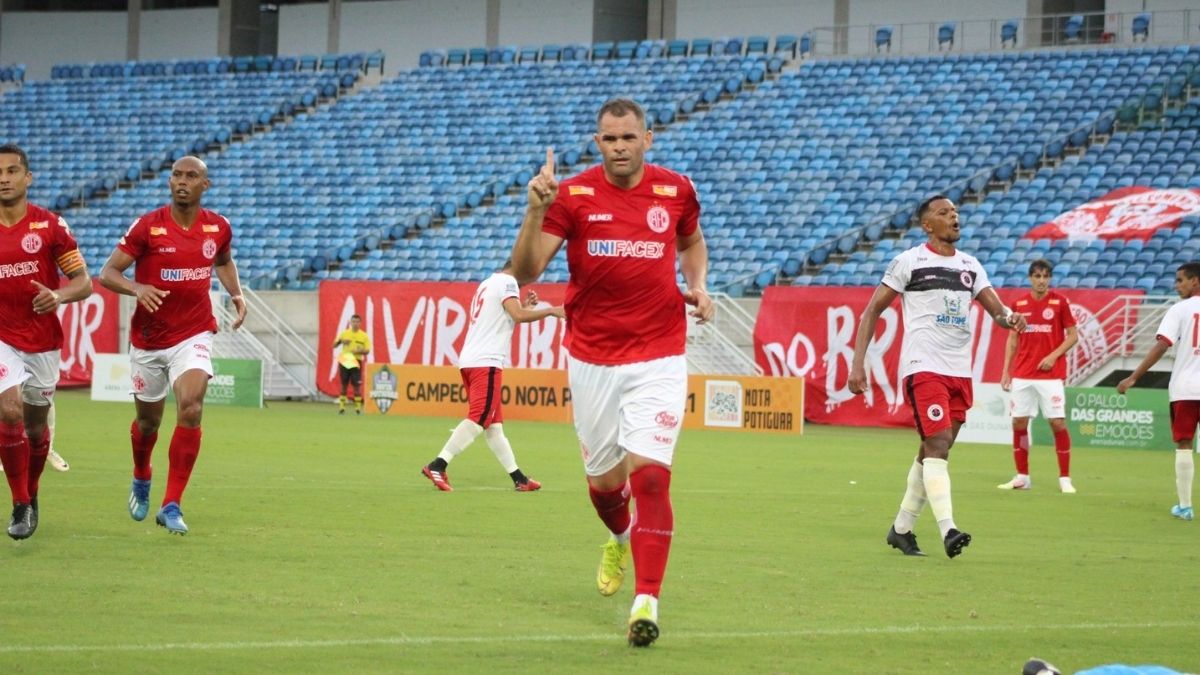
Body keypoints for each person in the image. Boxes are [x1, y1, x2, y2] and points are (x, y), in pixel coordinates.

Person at [510, 98, 713, 647]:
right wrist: (534, 210)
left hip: (660, 353)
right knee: (605, 486)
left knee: (650, 476)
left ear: (649, 139)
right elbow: (526, 270)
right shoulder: (572, 196)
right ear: (597, 143)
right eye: (609, 139)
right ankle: (619, 538)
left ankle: (646, 599)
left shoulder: (677, 190)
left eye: (629, 137)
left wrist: (697, 284)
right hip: (592, 357)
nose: (619, 147)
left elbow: (691, 242)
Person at [848, 194, 1026, 559]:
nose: (954, 217)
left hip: (960, 372)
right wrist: (857, 363)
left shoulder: (970, 266)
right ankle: (949, 530)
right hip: (923, 366)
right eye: (944, 213)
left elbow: (996, 310)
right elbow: (871, 312)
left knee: (931, 451)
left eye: (956, 212)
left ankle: (901, 529)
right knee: (939, 444)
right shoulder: (909, 261)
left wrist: (1011, 318)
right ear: (927, 225)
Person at [99, 155, 246, 536]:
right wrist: (137, 287)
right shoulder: (149, 227)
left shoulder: (218, 227)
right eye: (177, 175)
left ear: (205, 185)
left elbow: (224, 262)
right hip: (149, 340)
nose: (182, 181)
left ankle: (172, 503)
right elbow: (108, 272)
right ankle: (141, 473)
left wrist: (237, 294)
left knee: (192, 407)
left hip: (193, 333)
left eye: (191, 176)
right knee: (148, 423)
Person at [0, 143, 93, 540]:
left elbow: (84, 284)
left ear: (28, 178)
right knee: (9, 409)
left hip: (41, 342)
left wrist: (57, 296)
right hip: (2, 337)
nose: (3, 178)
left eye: (11, 171)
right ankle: (19, 502)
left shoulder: (50, 226)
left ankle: (32, 493)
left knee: (36, 430)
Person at [419, 261, 564, 492]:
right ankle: (438, 464)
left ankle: (519, 478)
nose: (527, 279)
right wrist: (551, 311)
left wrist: (524, 305)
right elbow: (516, 316)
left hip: (471, 360)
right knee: (479, 418)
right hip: (486, 361)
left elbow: (503, 318)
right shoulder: (508, 282)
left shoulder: (487, 283)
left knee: (494, 427)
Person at [1117, 262, 1200, 521]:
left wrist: (1133, 377)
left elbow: (1161, 345)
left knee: (1185, 444)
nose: (1177, 286)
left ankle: (1185, 506)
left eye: (1180, 280)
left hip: (1187, 387)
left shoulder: (1180, 309)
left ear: (1195, 281)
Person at [998, 259, 1078, 493]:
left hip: (1050, 375)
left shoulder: (1060, 302)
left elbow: (1072, 336)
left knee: (1057, 423)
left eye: (1045, 276)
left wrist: (1053, 356)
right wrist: (1006, 371)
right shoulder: (1018, 304)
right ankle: (1022, 476)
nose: (1041, 280)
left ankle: (1065, 478)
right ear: (1030, 278)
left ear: (1050, 278)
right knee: (1019, 422)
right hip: (1023, 374)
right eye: (1037, 276)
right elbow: (1012, 340)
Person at [332, 314, 370, 415]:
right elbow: (334, 345)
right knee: (344, 384)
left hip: (356, 360)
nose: (355, 324)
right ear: (350, 322)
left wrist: (360, 351)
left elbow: (367, 351)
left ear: (360, 323)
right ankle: (342, 408)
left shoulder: (364, 336)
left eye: (357, 322)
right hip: (345, 359)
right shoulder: (344, 333)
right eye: (353, 321)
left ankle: (357, 409)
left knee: (357, 385)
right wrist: (341, 341)